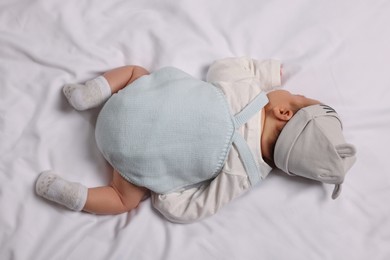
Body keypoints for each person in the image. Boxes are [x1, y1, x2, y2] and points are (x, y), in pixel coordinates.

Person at [35, 57, 356, 223]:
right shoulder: (245, 175)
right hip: (131, 160)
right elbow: (194, 209)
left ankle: (88, 94)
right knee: (124, 200)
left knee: (137, 72)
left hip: (129, 101)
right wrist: (163, 192)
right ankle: (76, 196)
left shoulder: (246, 93)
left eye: (297, 95)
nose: (291, 91)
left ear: (284, 111)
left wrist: (267, 73)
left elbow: (224, 66)